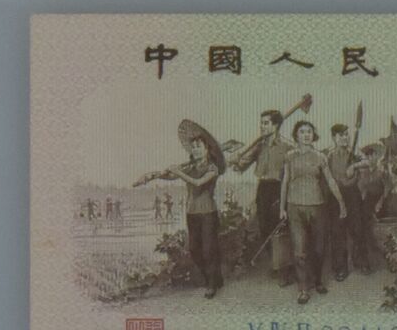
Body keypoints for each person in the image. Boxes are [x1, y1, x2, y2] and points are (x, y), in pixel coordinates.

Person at [136, 136, 223, 298]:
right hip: (191, 213)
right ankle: (213, 277)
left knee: (208, 249)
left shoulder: (213, 168)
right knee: (194, 249)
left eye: (198, 146)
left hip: (208, 213)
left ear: (207, 150)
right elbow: (170, 176)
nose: (195, 150)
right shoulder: (189, 167)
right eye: (193, 147)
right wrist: (152, 176)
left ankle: (212, 283)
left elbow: (198, 182)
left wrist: (179, 172)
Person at [280, 120, 347, 305]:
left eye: (309, 131)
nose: (306, 135)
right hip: (294, 207)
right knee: (299, 250)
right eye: (302, 132)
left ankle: (318, 281)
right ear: (296, 135)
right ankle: (303, 289)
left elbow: (331, 181)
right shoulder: (289, 156)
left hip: (317, 207)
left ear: (313, 135)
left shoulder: (320, 157)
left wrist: (341, 203)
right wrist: (282, 209)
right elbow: (285, 182)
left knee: (318, 248)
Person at [231, 109, 294, 285]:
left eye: (266, 123)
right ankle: (276, 263)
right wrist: (235, 160)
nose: (262, 127)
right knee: (265, 227)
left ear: (276, 125)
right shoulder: (259, 146)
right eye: (261, 123)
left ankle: (285, 270)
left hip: (280, 188)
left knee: (280, 229)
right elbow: (240, 166)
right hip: (263, 189)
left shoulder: (288, 146)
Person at [324, 124, 360, 281]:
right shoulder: (329, 155)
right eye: (341, 135)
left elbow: (370, 162)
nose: (345, 138)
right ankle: (340, 268)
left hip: (353, 194)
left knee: (357, 228)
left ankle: (360, 261)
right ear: (334, 138)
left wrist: (355, 165)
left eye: (346, 134)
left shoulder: (354, 153)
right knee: (337, 232)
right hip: (335, 196)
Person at [350, 143, 391, 274]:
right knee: (360, 230)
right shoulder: (362, 170)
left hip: (378, 202)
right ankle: (363, 261)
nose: (371, 157)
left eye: (373, 155)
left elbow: (387, 189)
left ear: (378, 156)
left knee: (374, 232)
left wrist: (380, 203)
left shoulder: (383, 170)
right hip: (363, 203)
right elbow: (356, 186)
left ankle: (382, 259)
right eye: (368, 155)